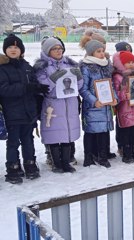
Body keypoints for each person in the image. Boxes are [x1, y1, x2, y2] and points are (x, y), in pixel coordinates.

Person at [0, 34, 49, 184]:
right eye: (10, 47)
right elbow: (4, 89)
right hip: (12, 112)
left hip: (29, 111)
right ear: (5, 50)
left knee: (28, 139)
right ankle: (13, 168)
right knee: (13, 142)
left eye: (16, 47)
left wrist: (38, 89)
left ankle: (30, 164)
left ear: (21, 50)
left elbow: (32, 85)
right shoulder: (2, 69)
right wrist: (26, 88)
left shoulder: (27, 66)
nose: (13, 50)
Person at [34, 37, 83, 173]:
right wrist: (53, 79)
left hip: (69, 104)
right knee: (54, 135)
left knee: (67, 133)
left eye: (60, 48)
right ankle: (56, 163)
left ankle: (66, 162)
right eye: (54, 49)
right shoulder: (42, 67)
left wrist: (78, 77)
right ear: (47, 51)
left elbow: (78, 86)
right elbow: (43, 87)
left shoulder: (69, 64)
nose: (58, 51)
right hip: (53, 104)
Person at [79, 36, 118, 168]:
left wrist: (114, 98)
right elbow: (83, 89)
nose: (102, 54)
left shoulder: (106, 66)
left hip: (105, 106)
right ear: (91, 53)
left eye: (102, 51)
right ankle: (88, 157)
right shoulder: (86, 67)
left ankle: (102, 156)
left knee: (103, 132)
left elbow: (110, 85)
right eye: (98, 51)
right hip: (93, 107)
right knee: (90, 132)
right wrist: (94, 101)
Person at [114, 42, 133, 157]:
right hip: (121, 103)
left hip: (133, 103)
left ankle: (130, 145)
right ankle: (121, 145)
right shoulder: (116, 71)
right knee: (121, 124)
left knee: (132, 125)